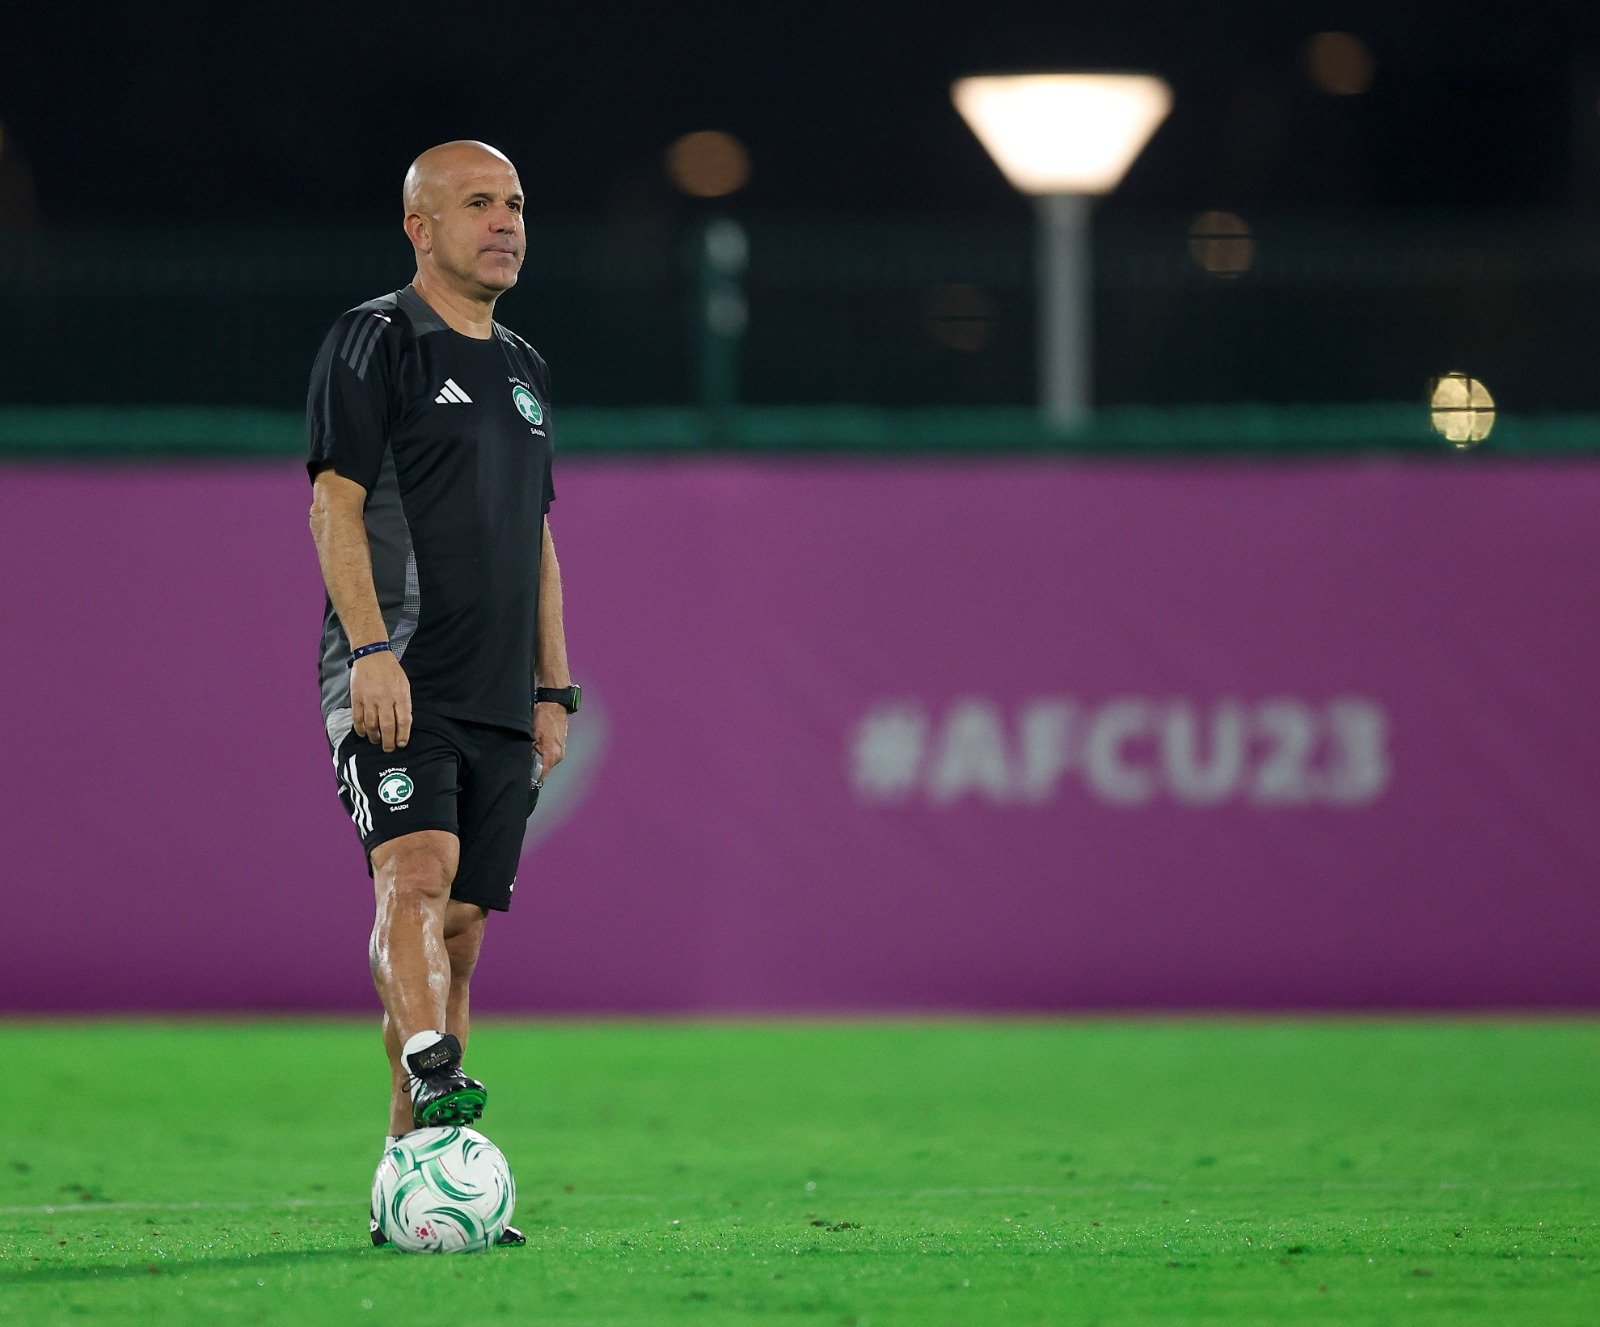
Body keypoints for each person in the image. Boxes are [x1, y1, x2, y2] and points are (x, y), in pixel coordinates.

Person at [305, 141, 581, 1247]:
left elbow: (539, 538)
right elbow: (334, 502)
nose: (505, 221)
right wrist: (371, 649)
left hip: (500, 694)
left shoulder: (525, 365)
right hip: (400, 677)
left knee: (457, 935)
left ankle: (411, 1172)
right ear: (421, 228)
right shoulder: (376, 339)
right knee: (412, 874)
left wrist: (554, 687)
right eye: (478, 203)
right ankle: (433, 1063)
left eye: (514, 203)